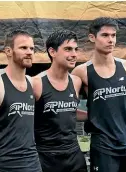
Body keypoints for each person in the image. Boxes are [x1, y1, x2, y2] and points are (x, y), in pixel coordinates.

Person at [71, 17, 126, 172]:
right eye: (105, 35)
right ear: (92, 37)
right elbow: (68, 108)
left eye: (113, 35)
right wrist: (93, 116)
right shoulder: (81, 72)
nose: (110, 40)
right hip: (104, 148)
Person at [0, 30, 42, 172]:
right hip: (4, 163)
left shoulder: (33, 83)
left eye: (32, 48)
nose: (29, 52)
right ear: (8, 51)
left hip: (33, 162)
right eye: (23, 48)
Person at [32, 30, 87, 172]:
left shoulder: (76, 81)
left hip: (74, 154)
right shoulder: (36, 83)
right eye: (68, 49)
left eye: (76, 49)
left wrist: (93, 115)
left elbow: (67, 111)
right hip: (46, 157)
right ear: (52, 52)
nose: (74, 54)